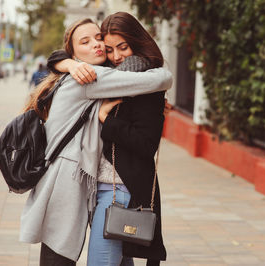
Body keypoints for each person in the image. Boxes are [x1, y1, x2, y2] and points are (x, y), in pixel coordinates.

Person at [19, 18, 172, 266]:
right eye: (85, 41)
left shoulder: (95, 76)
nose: (99, 47)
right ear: (74, 53)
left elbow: (143, 137)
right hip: (72, 184)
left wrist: (65, 63)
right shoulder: (87, 78)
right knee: (62, 256)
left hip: (100, 185)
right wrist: (67, 63)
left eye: (99, 39)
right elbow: (161, 79)